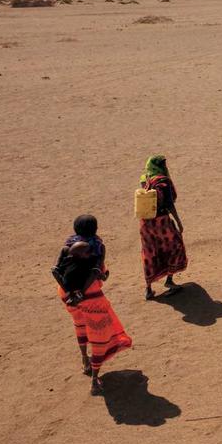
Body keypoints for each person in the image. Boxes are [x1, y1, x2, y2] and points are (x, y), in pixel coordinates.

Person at [52, 215, 132, 395]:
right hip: (91, 296)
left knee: (80, 325)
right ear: (95, 229)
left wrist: (71, 292)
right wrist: (81, 293)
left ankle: (84, 361)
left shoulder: (67, 245)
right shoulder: (97, 247)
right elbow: (97, 271)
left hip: (66, 294)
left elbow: (56, 270)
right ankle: (95, 380)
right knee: (99, 335)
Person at [138, 155, 187, 300]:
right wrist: (178, 221)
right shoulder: (163, 182)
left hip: (146, 224)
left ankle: (148, 288)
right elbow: (169, 204)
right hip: (161, 222)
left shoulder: (146, 179)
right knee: (174, 247)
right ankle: (169, 281)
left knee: (149, 253)